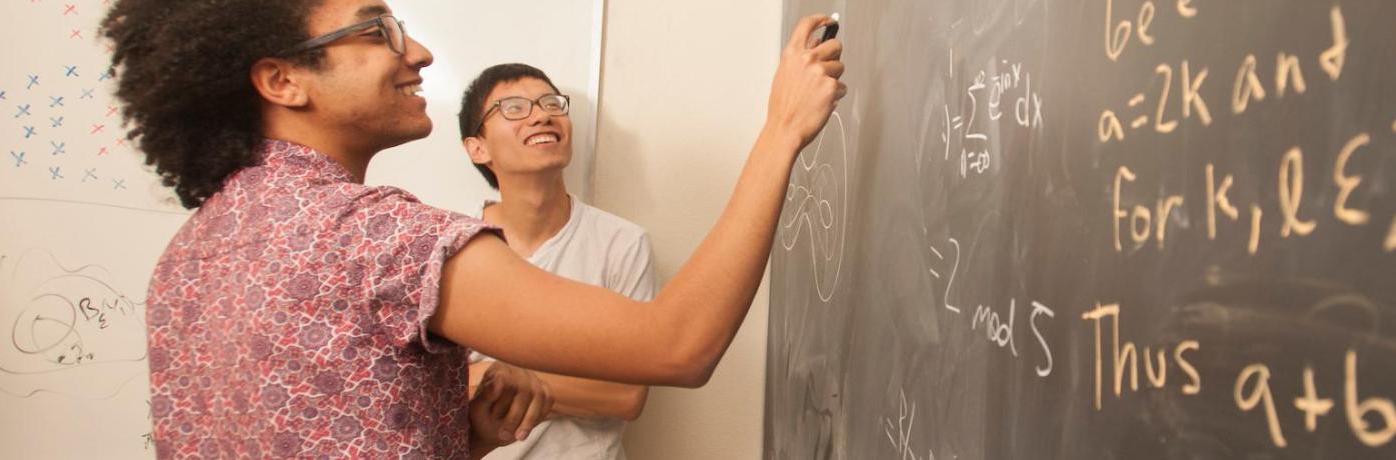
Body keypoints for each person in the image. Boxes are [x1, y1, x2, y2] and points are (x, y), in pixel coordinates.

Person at [100, 0, 845, 457]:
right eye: (377, 29)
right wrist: (781, 130)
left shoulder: (188, 256)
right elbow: (679, 346)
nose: (417, 52)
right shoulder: (375, 238)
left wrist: (465, 437)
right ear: (282, 81)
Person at [456, 63, 657, 459]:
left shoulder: (622, 244)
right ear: (477, 148)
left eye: (551, 103)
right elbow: (419, 390)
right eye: (514, 107)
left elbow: (626, 396)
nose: (542, 114)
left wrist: (488, 378)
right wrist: (580, 384)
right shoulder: (450, 248)